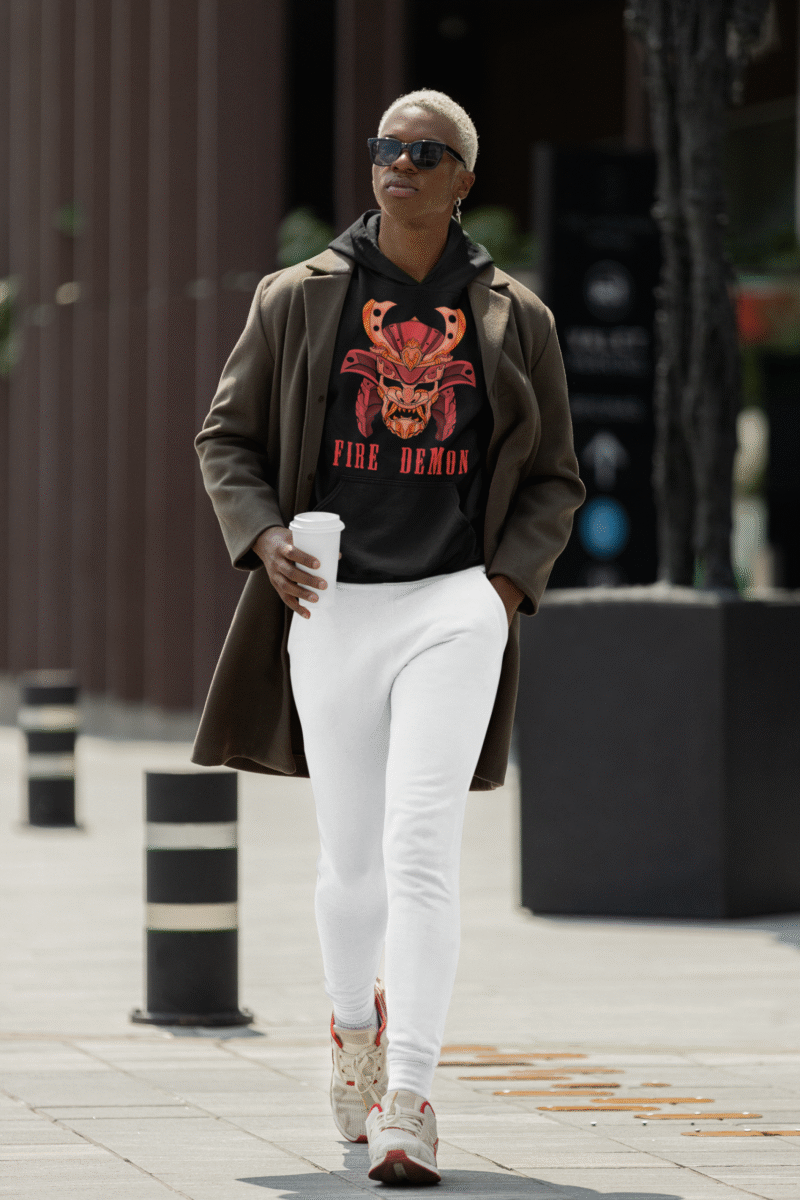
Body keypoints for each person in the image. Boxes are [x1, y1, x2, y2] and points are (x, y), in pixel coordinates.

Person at [193, 89, 584, 1186]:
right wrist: (265, 536)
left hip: (454, 603)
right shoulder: (297, 297)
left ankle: (407, 1096)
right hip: (331, 602)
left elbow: (553, 478)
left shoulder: (515, 315)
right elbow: (225, 438)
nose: (399, 163)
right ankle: (350, 1029)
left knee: (420, 848)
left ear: (464, 179)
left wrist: (500, 591)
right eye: (386, 148)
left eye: (425, 151)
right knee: (351, 862)